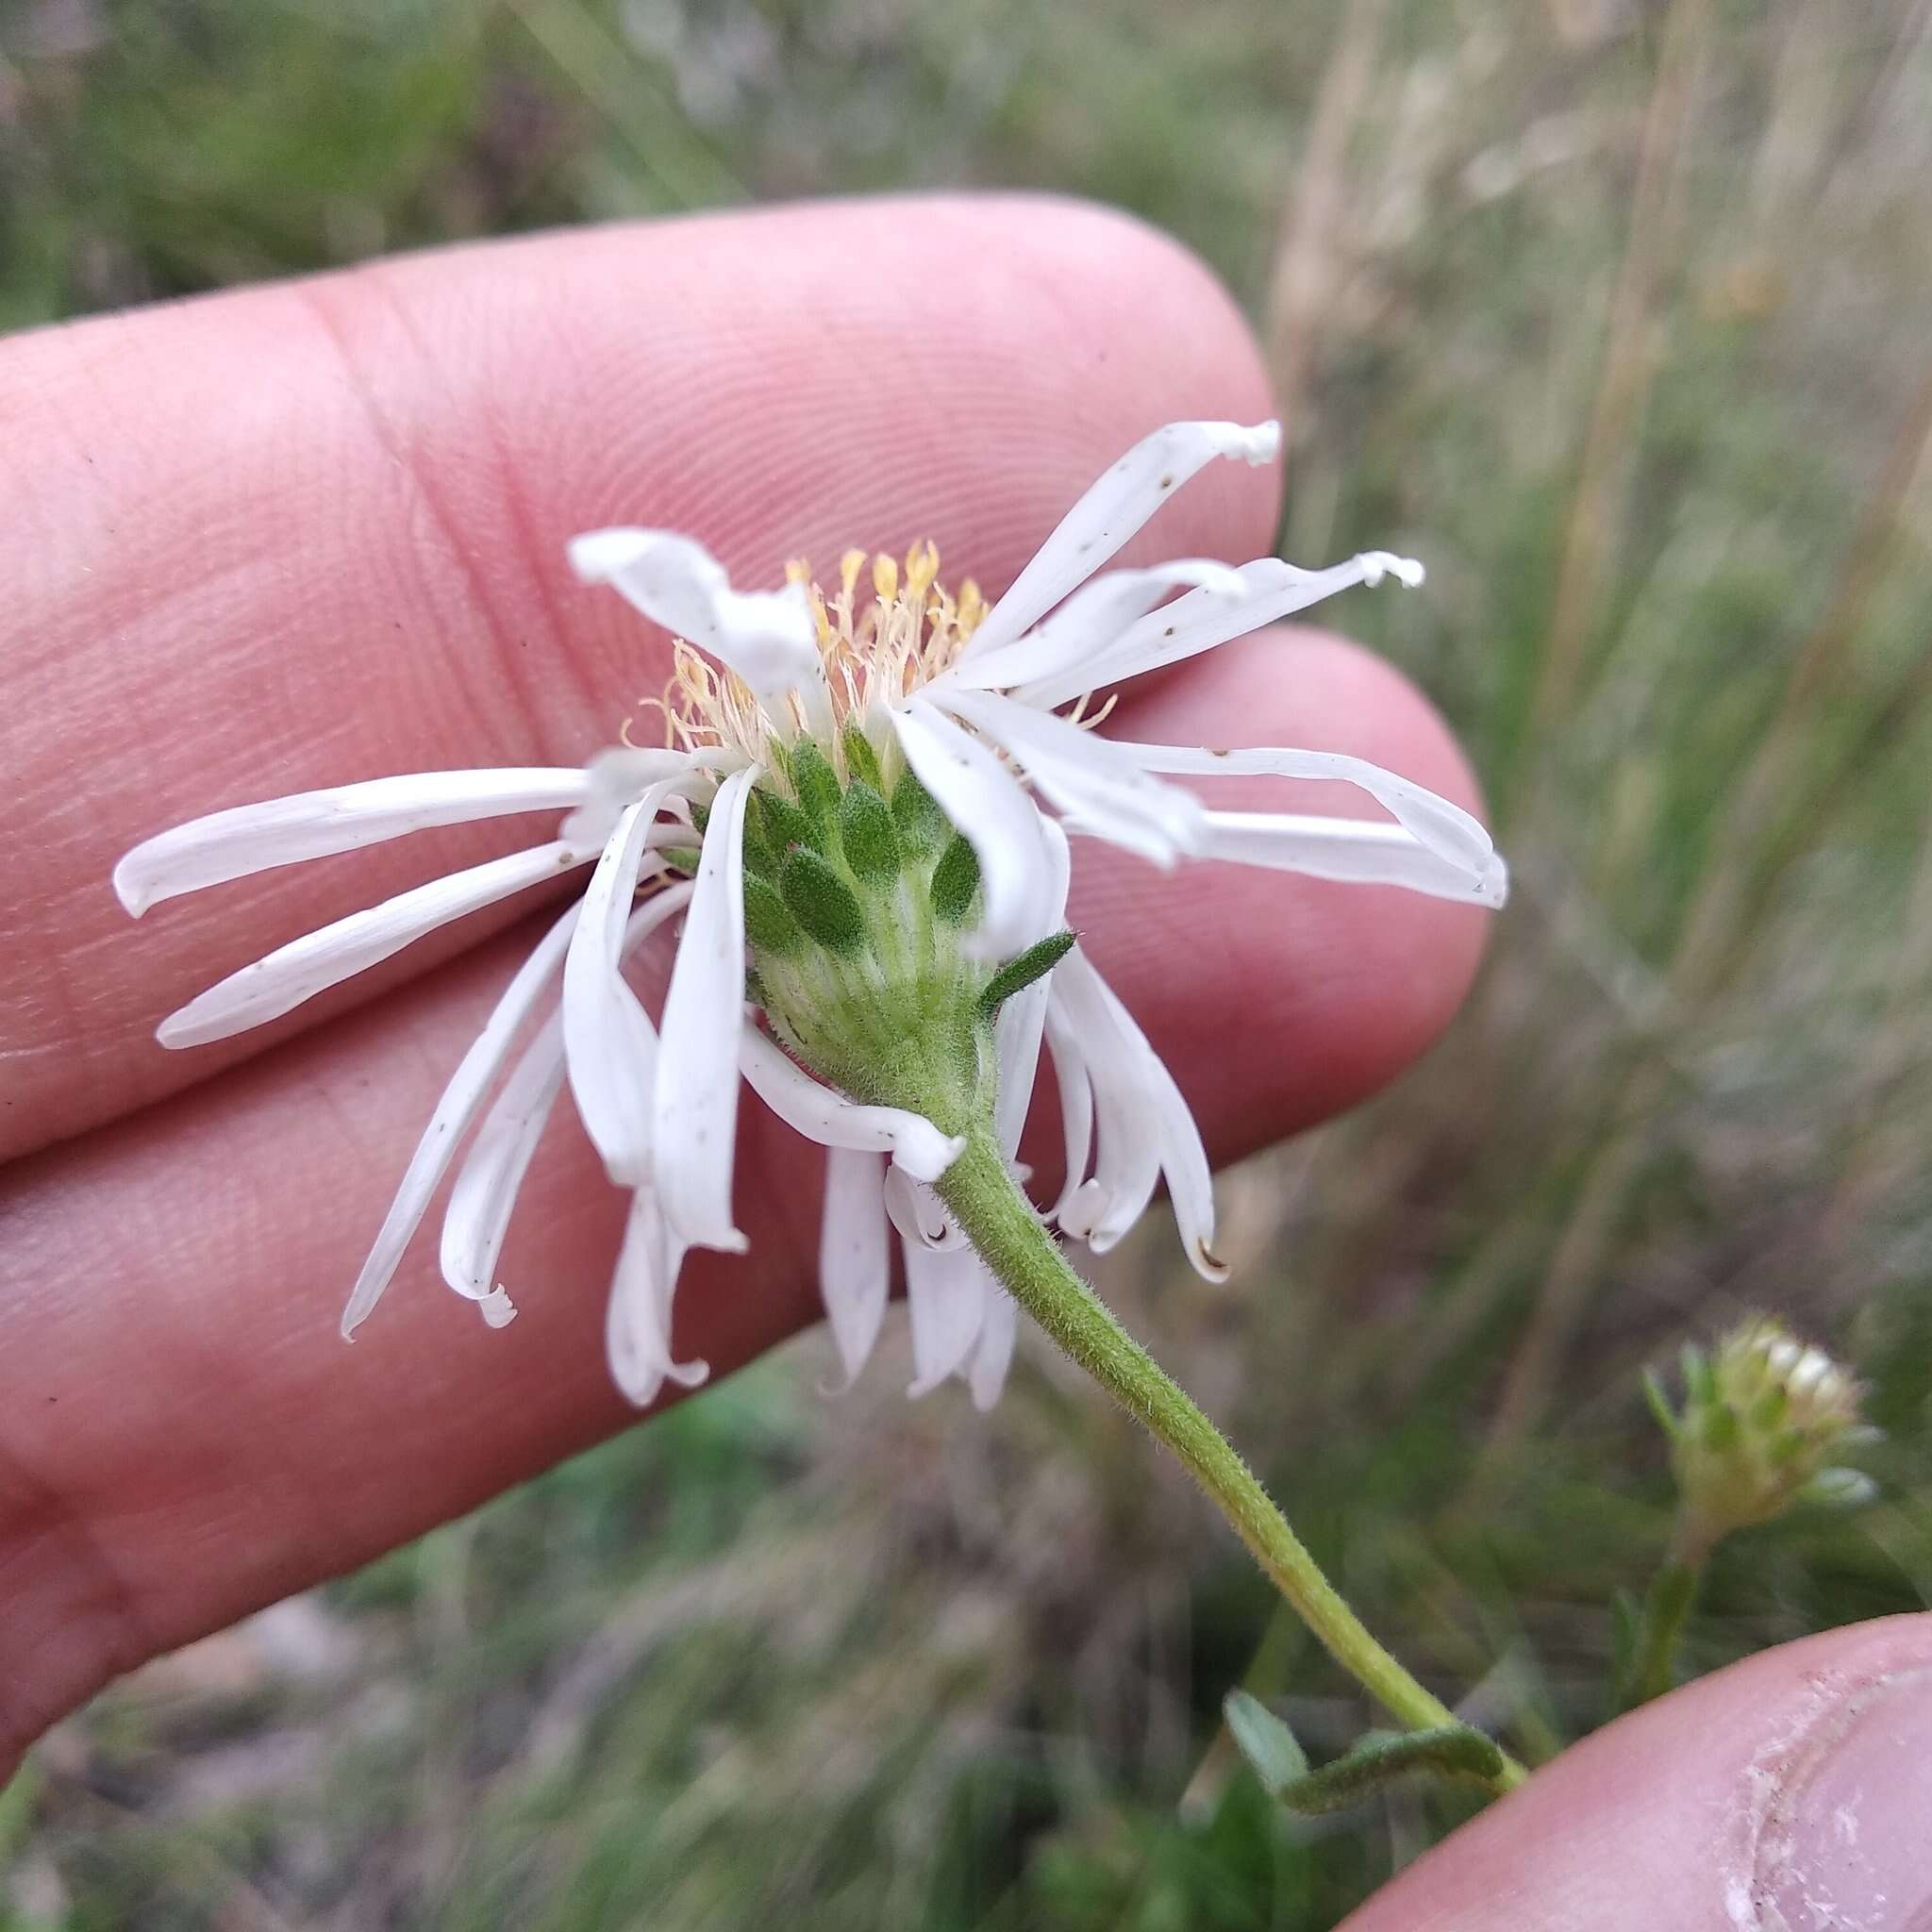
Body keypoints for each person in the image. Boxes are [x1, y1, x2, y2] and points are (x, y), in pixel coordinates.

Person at [1, 196, 1923, 1930]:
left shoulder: (942, 799)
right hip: (818, 863)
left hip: (869, 863)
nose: (794, 638)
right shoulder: (747, 802)